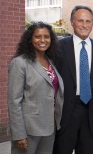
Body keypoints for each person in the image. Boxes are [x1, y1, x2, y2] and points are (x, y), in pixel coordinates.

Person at [53, 5, 93, 154]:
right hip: (66, 113)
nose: (84, 25)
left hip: (92, 114)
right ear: (72, 22)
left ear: (92, 23)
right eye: (80, 21)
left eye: (88, 21)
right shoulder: (58, 48)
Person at [7, 22, 64, 154]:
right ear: (30, 39)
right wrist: (19, 133)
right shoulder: (20, 63)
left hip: (49, 126)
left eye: (47, 36)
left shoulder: (50, 61)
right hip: (28, 128)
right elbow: (14, 101)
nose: (43, 40)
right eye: (37, 37)